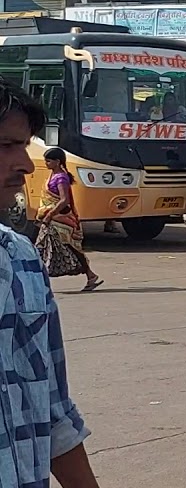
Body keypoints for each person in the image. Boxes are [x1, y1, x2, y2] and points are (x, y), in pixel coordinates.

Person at [0, 82, 99, 487]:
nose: (25, 163)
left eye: (24, 146)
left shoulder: (20, 258)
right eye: (7, 145)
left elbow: (52, 409)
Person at [37, 147, 103, 291]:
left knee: (65, 246)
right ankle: (90, 275)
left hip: (59, 219)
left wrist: (50, 214)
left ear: (57, 162)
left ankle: (90, 275)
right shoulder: (53, 176)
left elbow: (64, 200)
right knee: (47, 248)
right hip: (53, 219)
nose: (46, 163)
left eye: (48, 161)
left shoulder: (60, 178)